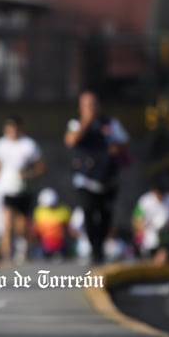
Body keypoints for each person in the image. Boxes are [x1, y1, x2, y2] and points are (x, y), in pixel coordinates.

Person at [64, 90, 129, 264]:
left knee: (105, 214)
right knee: (88, 211)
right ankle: (94, 249)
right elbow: (71, 140)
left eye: (93, 104)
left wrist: (113, 146)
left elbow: (124, 142)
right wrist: (86, 122)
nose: (91, 108)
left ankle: (100, 246)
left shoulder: (110, 123)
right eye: (87, 105)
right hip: (85, 179)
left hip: (106, 177)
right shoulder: (76, 123)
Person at [0, 115, 45, 263]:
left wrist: (28, 174)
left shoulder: (29, 145)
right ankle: (6, 256)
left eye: (15, 129)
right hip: (6, 189)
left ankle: (29, 247)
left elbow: (40, 167)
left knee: (22, 225)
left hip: (23, 189)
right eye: (9, 129)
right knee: (6, 223)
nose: (12, 132)